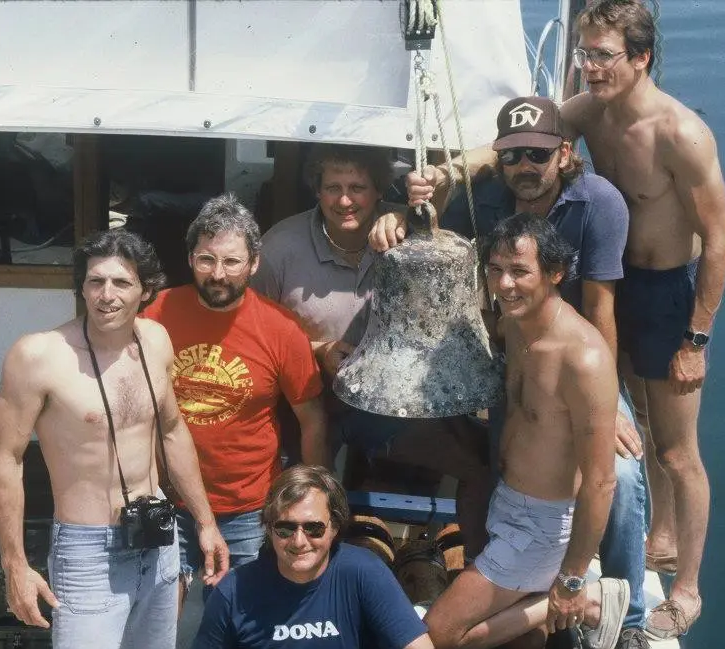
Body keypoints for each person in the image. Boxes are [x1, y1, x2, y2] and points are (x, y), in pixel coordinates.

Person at [370, 96, 649, 649]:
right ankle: (527, 589)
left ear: (564, 155)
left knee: (619, 477)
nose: (526, 166)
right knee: (507, 448)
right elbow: (431, 211)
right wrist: (402, 213)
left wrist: (609, 404)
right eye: (513, 155)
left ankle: (622, 609)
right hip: (517, 495)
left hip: (551, 488)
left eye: (538, 155)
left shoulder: (597, 205)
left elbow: (601, 311)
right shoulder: (511, 312)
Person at [557, 0, 725, 638]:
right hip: (615, 283)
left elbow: (720, 242)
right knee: (633, 411)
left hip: (668, 295)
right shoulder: (590, 113)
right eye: (584, 54)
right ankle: (655, 529)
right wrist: (451, 170)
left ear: (641, 58)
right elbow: (526, 135)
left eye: (604, 56)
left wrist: (697, 337)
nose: (590, 68)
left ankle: (688, 587)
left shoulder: (679, 133)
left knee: (677, 448)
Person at [0, 228, 229, 649]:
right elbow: (7, 460)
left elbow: (171, 431)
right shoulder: (39, 355)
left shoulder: (155, 340)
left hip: (157, 539)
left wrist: (205, 522)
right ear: (81, 286)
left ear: (145, 290)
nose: (106, 295)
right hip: (87, 552)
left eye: (121, 282)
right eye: (95, 281)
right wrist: (15, 564)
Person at [251, 144, 493, 560]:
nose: (344, 200)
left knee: (479, 467)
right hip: (305, 404)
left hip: (379, 408)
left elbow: (438, 200)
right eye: (333, 187)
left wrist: (407, 215)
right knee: (302, 501)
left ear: (379, 191)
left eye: (357, 188)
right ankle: (305, 571)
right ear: (317, 190)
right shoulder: (279, 247)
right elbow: (252, 331)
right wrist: (316, 350)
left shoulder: (404, 229)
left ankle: (476, 565)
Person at [420, 214, 628, 649]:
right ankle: (545, 607)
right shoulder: (513, 324)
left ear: (555, 273)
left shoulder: (583, 360)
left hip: (543, 525)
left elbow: (601, 480)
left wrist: (571, 579)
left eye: (519, 271)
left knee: (440, 632)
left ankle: (590, 600)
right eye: (495, 270)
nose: (504, 284)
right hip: (509, 502)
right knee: (520, 640)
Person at [141, 193, 329, 601]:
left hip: (247, 507)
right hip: (167, 501)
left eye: (231, 261)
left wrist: (313, 497)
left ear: (254, 263)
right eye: (207, 260)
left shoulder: (281, 328)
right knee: (157, 623)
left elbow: (311, 418)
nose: (218, 274)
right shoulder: (154, 314)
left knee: (237, 618)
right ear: (191, 258)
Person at [192, 465, 434, 649]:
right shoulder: (233, 592)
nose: (299, 541)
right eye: (285, 528)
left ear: (335, 527)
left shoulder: (364, 572)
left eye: (313, 528)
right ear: (269, 528)